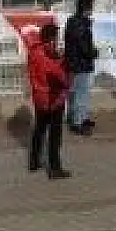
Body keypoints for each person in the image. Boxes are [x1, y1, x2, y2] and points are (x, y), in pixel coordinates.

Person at [25, 22, 71, 179]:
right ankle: (54, 167)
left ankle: (34, 160)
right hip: (53, 97)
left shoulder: (33, 52)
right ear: (51, 38)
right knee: (54, 134)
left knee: (39, 129)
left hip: (39, 96)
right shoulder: (49, 55)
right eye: (56, 37)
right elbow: (57, 75)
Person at [63, 0, 98, 135]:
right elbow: (84, 46)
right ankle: (78, 122)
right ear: (86, 9)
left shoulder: (73, 21)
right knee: (81, 94)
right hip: (81, 64)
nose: (92, 10)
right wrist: (94, 52)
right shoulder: (81, 24)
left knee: (77, 93)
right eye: (91, 8)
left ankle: (80, 117)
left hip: (75, 63)